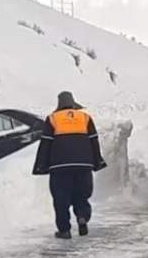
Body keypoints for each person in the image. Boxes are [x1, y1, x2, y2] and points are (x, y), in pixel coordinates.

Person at [33, 91, 107, 239]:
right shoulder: (85, 117)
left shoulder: (53, 119)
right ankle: (82, 217)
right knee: (81, 195)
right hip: (83, 165)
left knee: (61, 199)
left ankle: (64, 230)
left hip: (60, 167)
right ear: (73, 104)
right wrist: (97, 160)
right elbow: (93, 140)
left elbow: (46, 143)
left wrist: (41, 165)